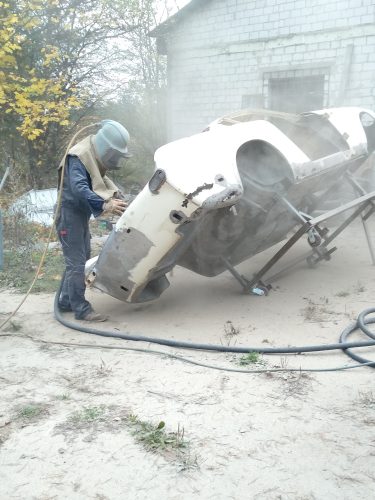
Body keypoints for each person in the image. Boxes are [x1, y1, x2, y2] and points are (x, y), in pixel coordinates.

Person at [56, 120, 131, 321]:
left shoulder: (91, 156)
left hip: (78, 215)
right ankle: (81, 309)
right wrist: (105, 205)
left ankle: (66, 301)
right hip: (68, 215)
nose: (113, 158)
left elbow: (101, 181)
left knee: (80, 258)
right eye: (114, 153)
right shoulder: (78, 155)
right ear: (106, 147)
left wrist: (117, 197)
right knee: (77, 263)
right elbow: (79, 189)